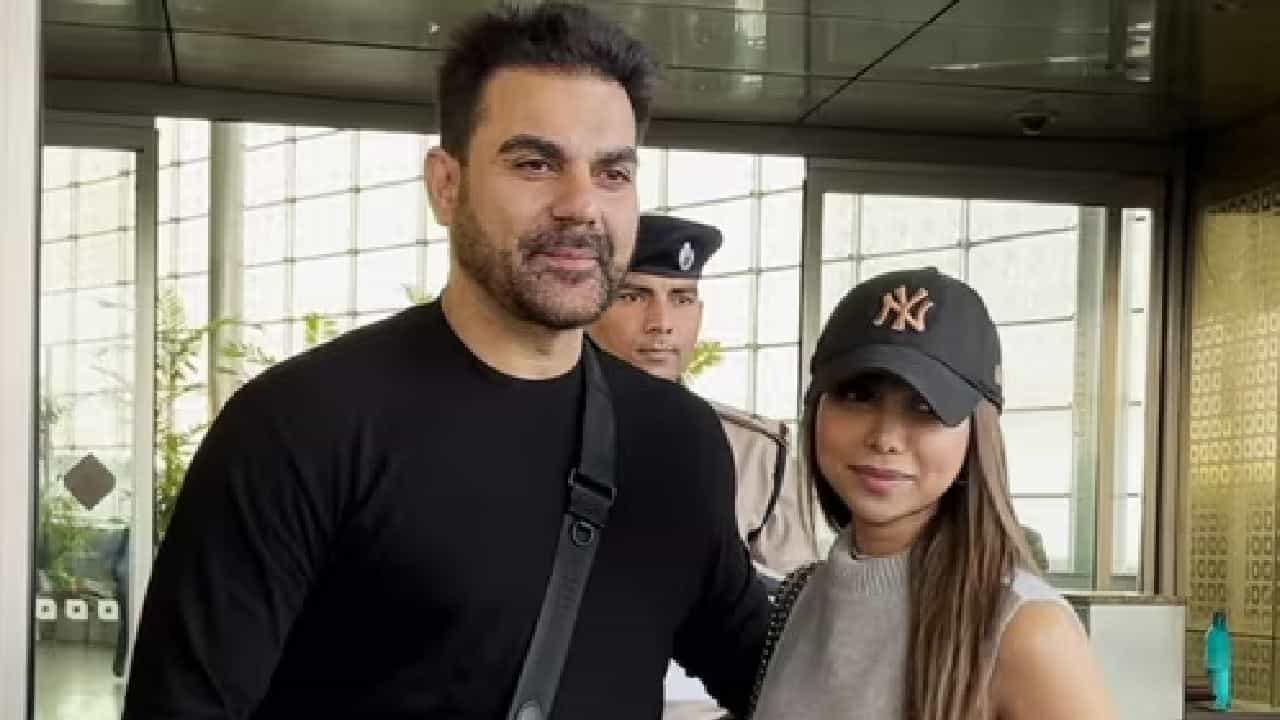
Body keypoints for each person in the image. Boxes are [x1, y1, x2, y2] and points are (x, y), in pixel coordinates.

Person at [122, 5, 768, 719]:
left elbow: (772, 673)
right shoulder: (302, 426)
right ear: (446, 186)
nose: (581, 205)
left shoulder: (676, 441)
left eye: (612, 172)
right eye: (535, 164)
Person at [751, 267, 1117, 720]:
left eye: (926, 407)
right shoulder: (802, 599)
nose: (885, 438)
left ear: (977, 434)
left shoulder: (1026, 631)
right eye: (858, 395)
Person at [589, 214, 818, 720]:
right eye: (633, 296)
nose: (662, 323)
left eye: (682, 298)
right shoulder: (537, 431)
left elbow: (787, 626)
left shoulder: (759, 453)